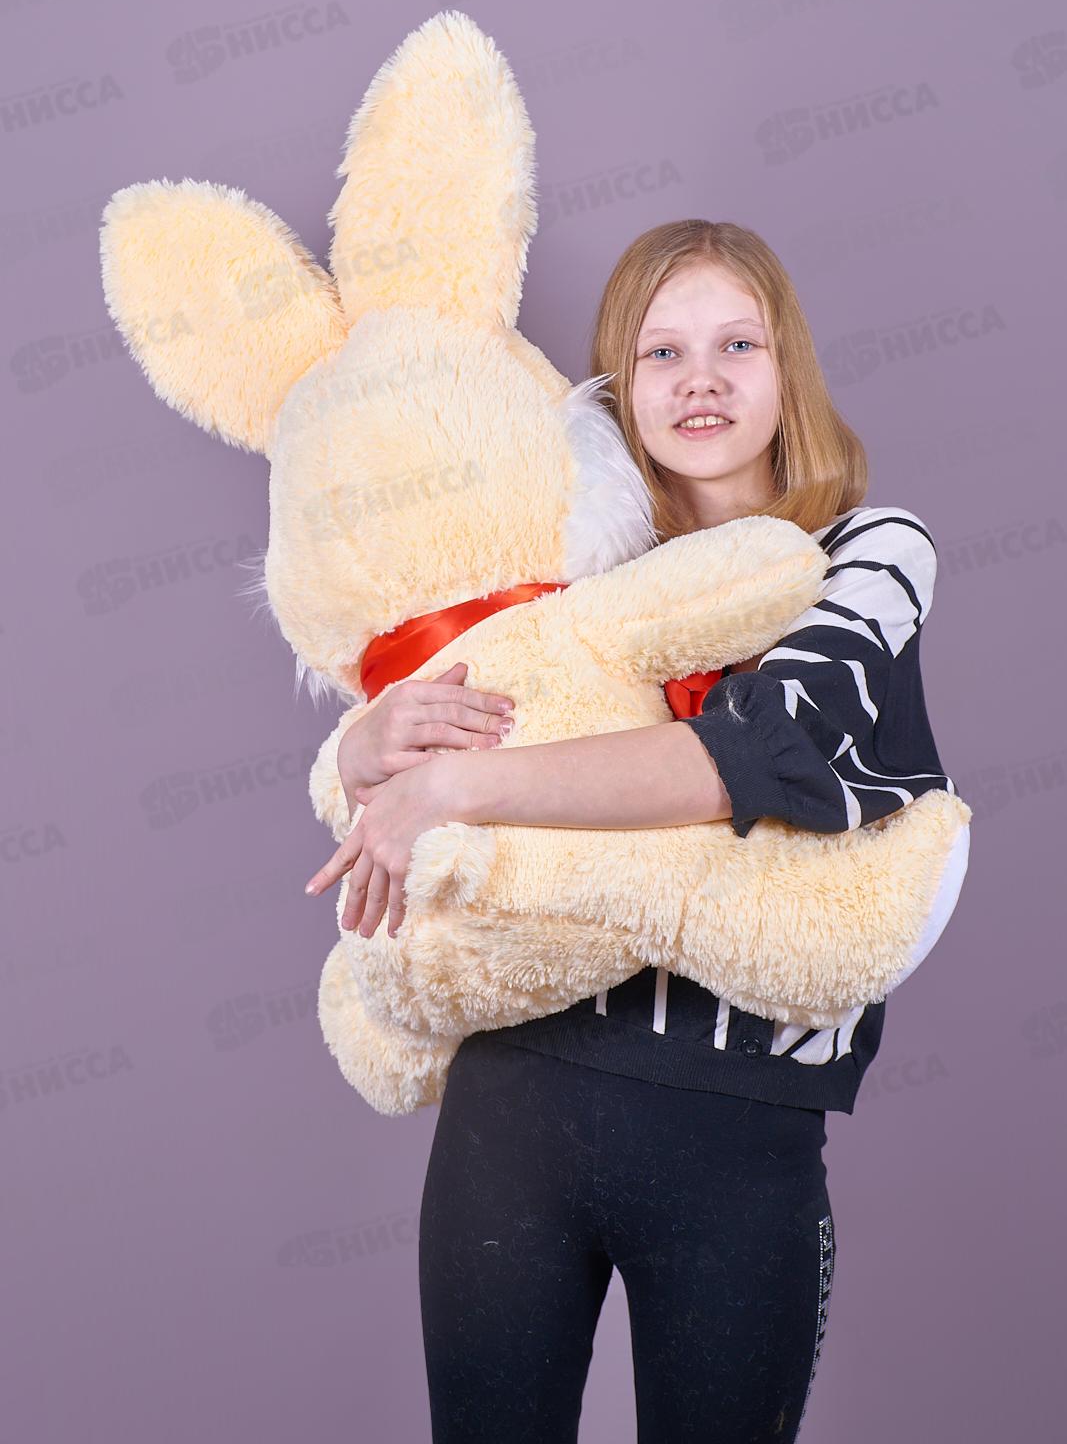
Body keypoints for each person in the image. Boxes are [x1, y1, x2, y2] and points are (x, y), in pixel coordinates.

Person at [304, 220, 962, 1442]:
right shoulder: (560, 572)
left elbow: (757, 754)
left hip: (736, 1136)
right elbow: (423, 752)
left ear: (787, 366)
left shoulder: (868, 553)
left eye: (736, 344)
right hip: (512, 1111)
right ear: (618, 379)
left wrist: (462, 788)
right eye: (661, 351)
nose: (698, 379)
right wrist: (362, 746)